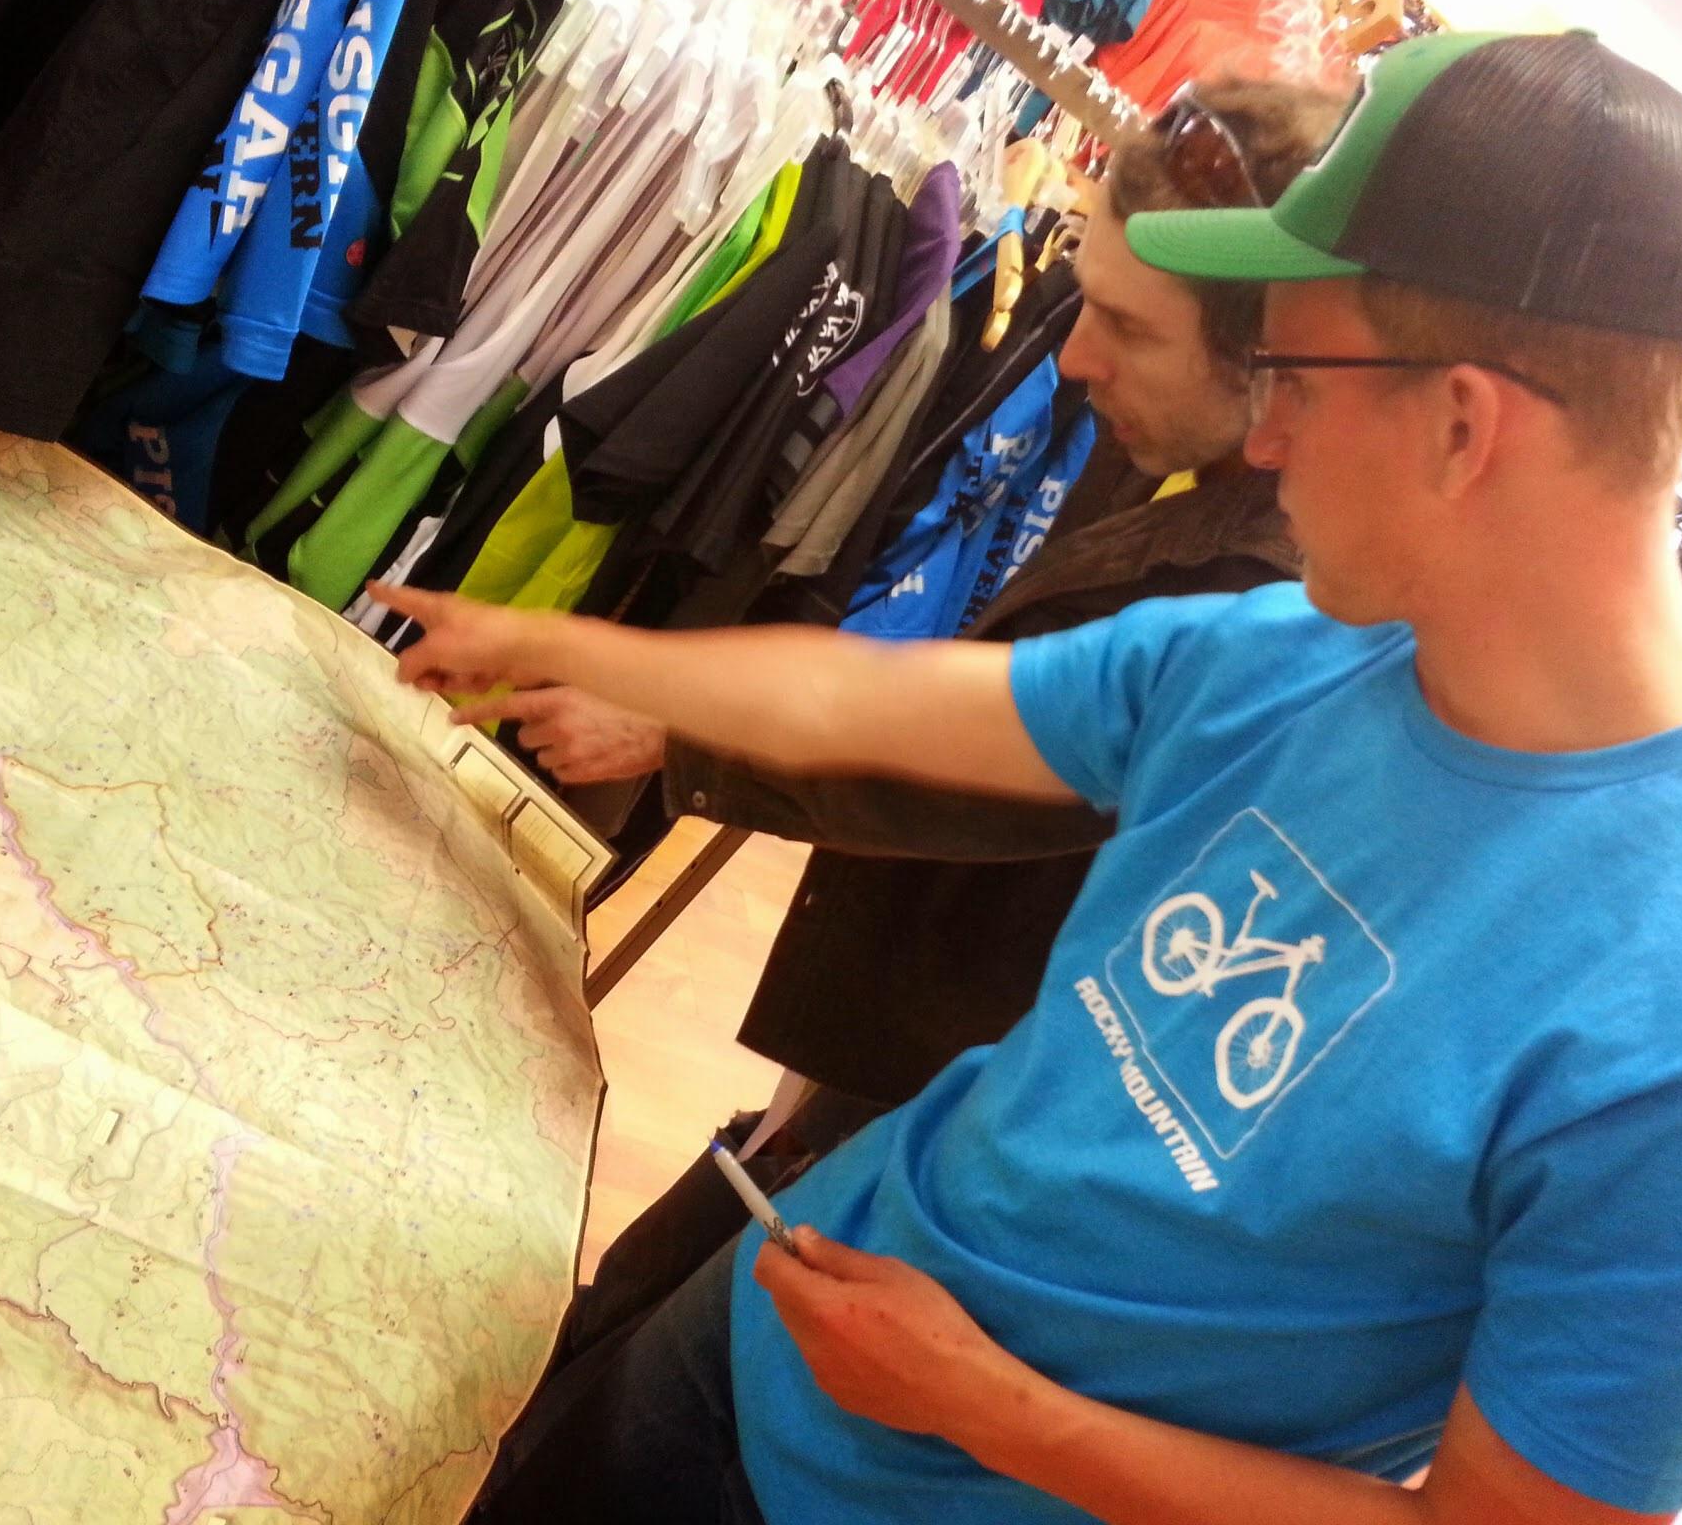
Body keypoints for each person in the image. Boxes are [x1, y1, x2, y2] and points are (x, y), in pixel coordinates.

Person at [377, 30, 1682, 1525]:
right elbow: (875, 701)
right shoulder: (1299, 652)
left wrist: (987, 1407)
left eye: (1290, 368)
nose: (1266, 427)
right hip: (769, 1326)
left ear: (1459, 422)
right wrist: (570, 645)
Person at [454, 77, 1348, 1394]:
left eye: (1120, 325)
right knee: (625, 1335)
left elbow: (992, 770)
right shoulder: (1198, 491)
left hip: (947, 1116)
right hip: (890, 1071)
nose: (1075, 358)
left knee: (641, 1392)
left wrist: (681, 727)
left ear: (1272, 364)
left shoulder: (1259, 593)